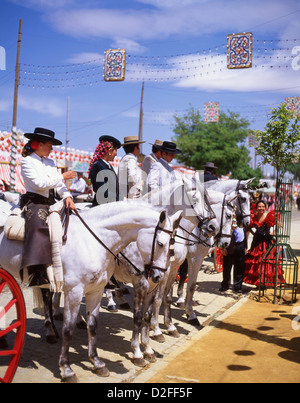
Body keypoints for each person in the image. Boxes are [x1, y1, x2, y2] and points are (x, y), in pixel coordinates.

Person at [20, 127, 76, 287]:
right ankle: (36, 271)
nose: (52, 149)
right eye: (50, 145)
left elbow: (59, 186)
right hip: (34, 201)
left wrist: (68, 197)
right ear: (38, 144)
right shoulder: (27, 161)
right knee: (37, 224)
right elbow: (39, 184)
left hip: (51, 201)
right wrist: (62, 176)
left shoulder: (51, 162)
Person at [243, 200, 282, 287]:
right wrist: (254, 234)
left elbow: (279, 225)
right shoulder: (253, 217)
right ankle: (258, 283)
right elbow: (248, 227)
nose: (261, 208)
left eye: (263, 207)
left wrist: (274, 233)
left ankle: (266, 282)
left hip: (267, 243)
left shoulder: (269, 215)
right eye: (259, 207)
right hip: (257, 242)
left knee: (266, 262)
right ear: (256, 208)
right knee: (257, 263)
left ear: (265, 207)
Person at [88, 135, 121, 206]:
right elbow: (102, 192)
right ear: (110, 151)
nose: (116, 154)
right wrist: (121, 198)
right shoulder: (97, 166)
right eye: (116, 150)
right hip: (101, 207)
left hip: (111, 204)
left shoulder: (108, 166)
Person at [219, 225, 246, 293]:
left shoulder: (241, 223)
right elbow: (221, 235)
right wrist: (223, 248)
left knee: (239, 268)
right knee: (227, 268)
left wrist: (245, 247)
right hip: (229, 248)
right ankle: (225, 285)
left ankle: (238, 286)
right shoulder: (227, 222)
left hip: (240, 247)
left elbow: (244, 234)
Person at [118, 135, 145, 199]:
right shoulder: (131, 159)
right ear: (136, 148)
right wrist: (133, 195)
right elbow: (132, 176)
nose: (139, 149)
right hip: (132, 198)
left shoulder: (125, 159)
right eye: (138, 146)